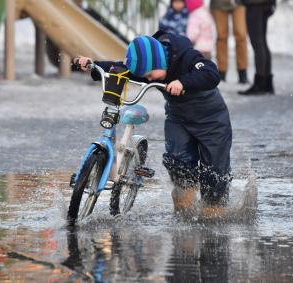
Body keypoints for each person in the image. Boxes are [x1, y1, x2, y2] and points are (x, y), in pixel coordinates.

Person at [75, 30, 233, 216]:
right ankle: (184, 208)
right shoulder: (148, 67)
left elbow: (211, 73)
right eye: (145, 76)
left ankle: (213, 210)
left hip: (211, 119)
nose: (148, 79)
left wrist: (183, 82)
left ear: (160, 62)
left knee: (214, 171)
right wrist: (93, 66)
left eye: (150, 75)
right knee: (178, 162)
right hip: (178, 118)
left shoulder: (185, 56)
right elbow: (119, 68)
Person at [238, 0, 276, 95]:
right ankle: (267, 83)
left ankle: (260, 83)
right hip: (263, 4)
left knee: (258, 43)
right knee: (262, 42)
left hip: (255, 4)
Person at [210, 0, 248, 83]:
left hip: (239, 3)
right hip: (218, 4)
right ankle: (221, 72)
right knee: (221, 37)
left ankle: (243, 71)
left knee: (241, 35)